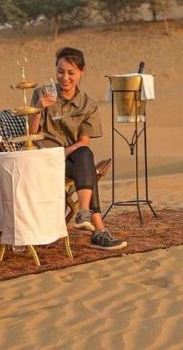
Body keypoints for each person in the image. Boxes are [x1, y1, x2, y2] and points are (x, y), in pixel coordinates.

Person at [29, 47, 127, 250]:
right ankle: (97, 228)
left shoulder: (88, 105)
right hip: (44, 160)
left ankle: (84, 214)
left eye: (71, 72)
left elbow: (84, 141)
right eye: (60, 71)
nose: (65, 77)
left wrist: (64, 152)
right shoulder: (41, 93)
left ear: (81, 72)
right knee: (88, 166)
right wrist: (39, 108)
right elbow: (31, 134)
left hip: (70, 159)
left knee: (85, 155)